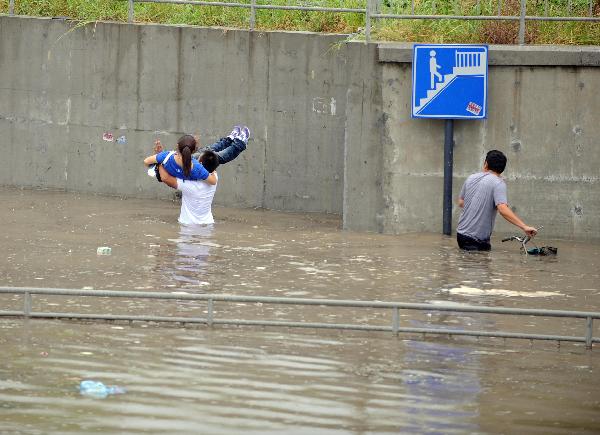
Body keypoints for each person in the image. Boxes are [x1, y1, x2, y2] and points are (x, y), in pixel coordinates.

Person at [145, 125, 251, 225]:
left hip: (187, 226)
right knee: (209, 153)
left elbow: (165, 177)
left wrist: (160, 159)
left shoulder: (189, 185)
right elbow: (211, 172)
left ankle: (237, 143)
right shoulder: (212, 176)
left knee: (210, 153)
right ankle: (232, 141)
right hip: (208, 223)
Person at [456, 150, 537, 251]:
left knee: (467, 262)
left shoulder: (471, 178)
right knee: (480, 265)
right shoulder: (498, 183)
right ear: (502, 168)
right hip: (476, 240)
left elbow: (461, 202)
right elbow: (502, 209)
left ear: (486, 164)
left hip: (460, 235)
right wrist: (524, 227)